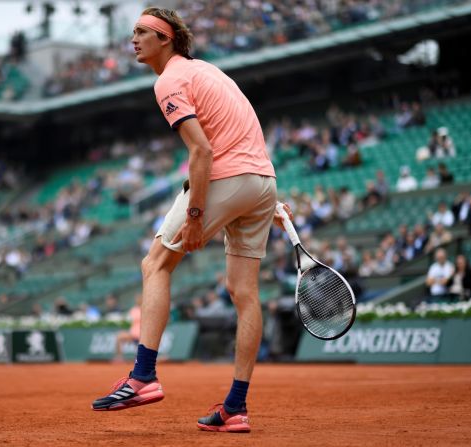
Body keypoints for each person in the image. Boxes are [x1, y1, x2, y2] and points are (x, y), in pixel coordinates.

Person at [91, 8, 293, 434]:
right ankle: (235, 407)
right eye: (133, 32)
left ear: (165, 39)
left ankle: (143, 375)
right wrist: (262, 197)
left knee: (156, 264)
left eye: (142, 32)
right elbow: (242, 136)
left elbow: (202, 152)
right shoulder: (208, 72)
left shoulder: (169, 80)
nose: (134, 39)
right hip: (263, 181)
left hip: (229, 177)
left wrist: (198, 217)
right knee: (244, 292)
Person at [113, 294, 142, 362]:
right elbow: (128, 320)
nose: (137, 300)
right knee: (119, 336)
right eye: (136, 299)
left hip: (142, 335)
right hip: (132, 335)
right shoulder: (133, 310)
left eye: (139, 298)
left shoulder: (145, 309)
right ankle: (119, 357)